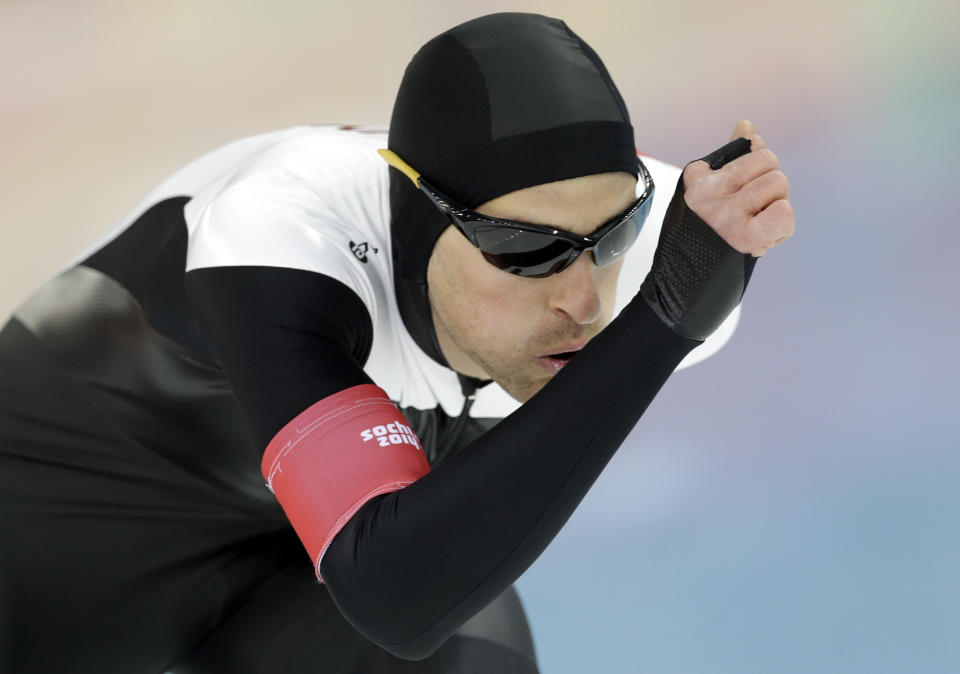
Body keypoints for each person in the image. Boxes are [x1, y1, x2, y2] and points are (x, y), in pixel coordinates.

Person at [0, 12, 794, 674]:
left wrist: (664, 304)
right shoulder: (280, 229)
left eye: (611, 236)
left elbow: (406, 601)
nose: (583, 300)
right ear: (421, 216)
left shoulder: (676, 253)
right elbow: (392, 588)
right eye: (525, 250)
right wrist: (658, 327)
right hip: (77, 522)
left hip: (318, 571)